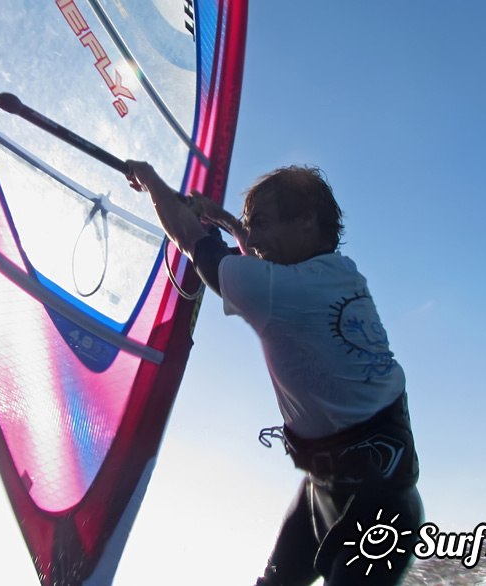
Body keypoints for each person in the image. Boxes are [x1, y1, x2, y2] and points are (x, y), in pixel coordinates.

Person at [127, 160, 423, 586]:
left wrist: (151, 180)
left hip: (379, 512)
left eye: (262, 223)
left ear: (306, 221)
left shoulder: (279, 291)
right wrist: (227, 220)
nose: (254, 239)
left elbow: (191, 240)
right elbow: (264, 255)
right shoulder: (338, 273)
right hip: (329, 490)